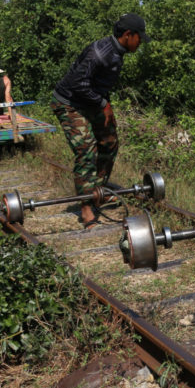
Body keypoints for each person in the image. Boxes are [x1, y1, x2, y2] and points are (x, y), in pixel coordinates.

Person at [51, 13, 150, 228]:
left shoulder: (118, 52)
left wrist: (105, 105)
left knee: (110, 142)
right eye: (139, 37)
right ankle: (86, 205)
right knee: (86, 150)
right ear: (128, 35)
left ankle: (98, 191)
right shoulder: (99, 53)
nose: (140, 42)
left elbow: (98, 85)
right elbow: (78, 84)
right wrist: (103, 104)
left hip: (91, 101)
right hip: (69, 103)